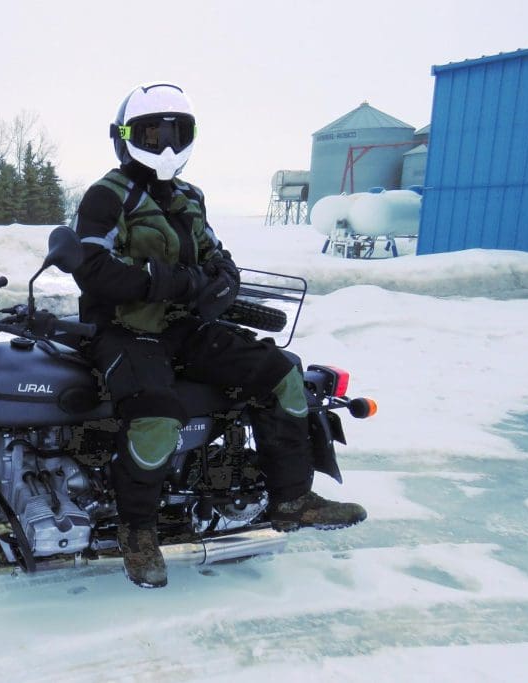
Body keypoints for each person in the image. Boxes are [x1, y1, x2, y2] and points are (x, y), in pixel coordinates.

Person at [71, 82, 366, 589]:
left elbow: (212, 252)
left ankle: (291, 496)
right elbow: (93, 269)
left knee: (280, 374)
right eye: (152, 132)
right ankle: (136, 530)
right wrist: (168, 282)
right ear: (125, 137)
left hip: (185, 328)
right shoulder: (106, 195)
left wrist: (224, 278)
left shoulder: (189, 197)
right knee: (156, 414)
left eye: (176, 132)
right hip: (123, 331)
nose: (165, 144)